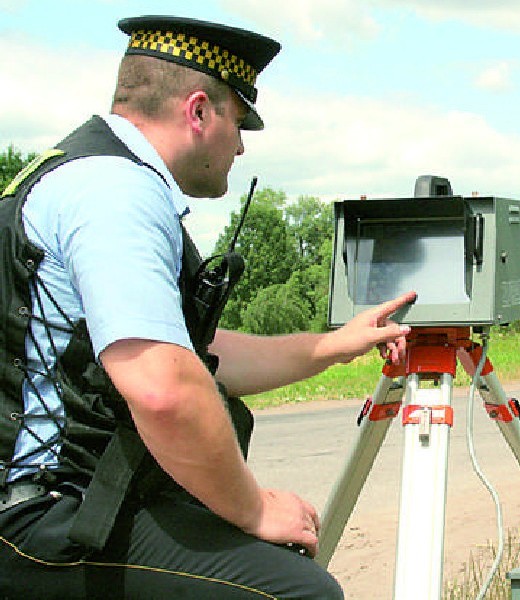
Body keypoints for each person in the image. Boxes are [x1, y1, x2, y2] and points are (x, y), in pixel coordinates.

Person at [0, 15, 416, 599]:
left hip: (60, 496)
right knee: (298, 591)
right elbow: (163, 386)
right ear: (198, 112)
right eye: (239, 122)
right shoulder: (117, 193)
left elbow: (197, 353)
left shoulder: (75, 172)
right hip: (39, 513)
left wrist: (331, 346)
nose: (241, 145)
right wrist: (253, 507)